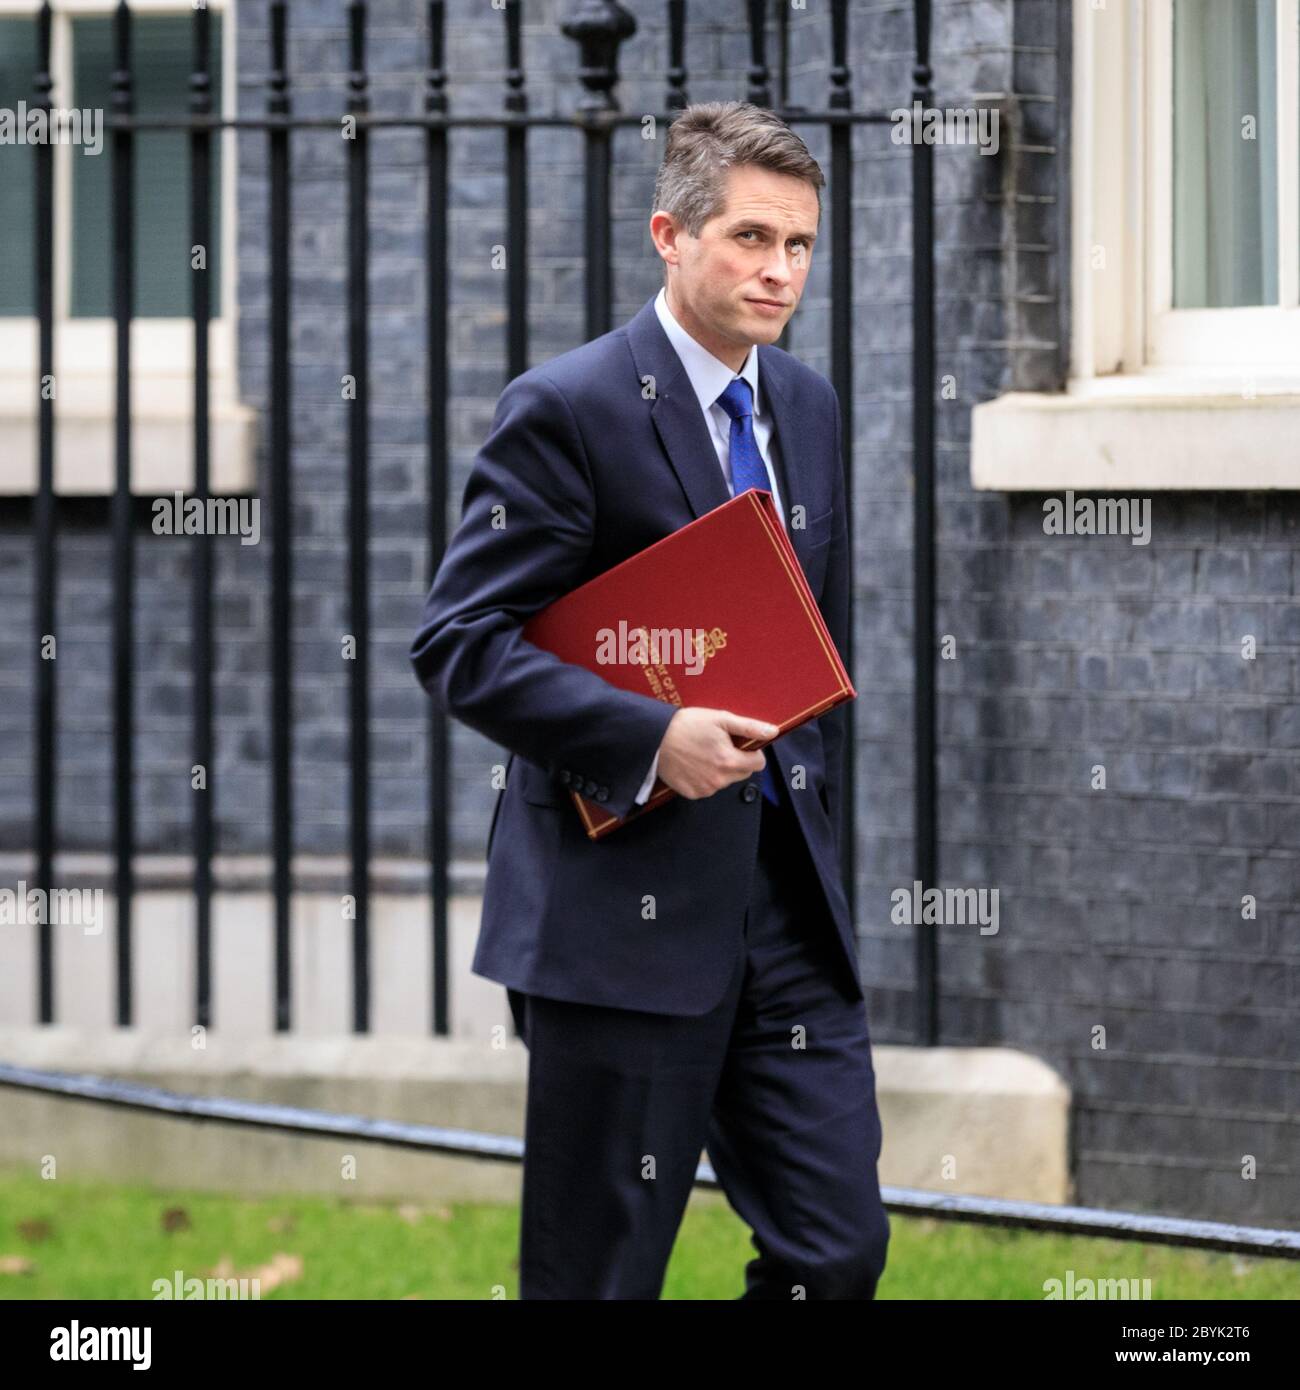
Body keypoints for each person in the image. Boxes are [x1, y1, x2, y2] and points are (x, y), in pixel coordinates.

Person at [409, 100, 888, 1299]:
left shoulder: (810, 407)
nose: (778, 271)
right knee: (598, 1275)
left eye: (798, 245)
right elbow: (459, 640)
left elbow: (808, 644)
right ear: (670, 236)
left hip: (783, 913)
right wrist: (648, 736)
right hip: (616, 921)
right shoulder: (566, 409)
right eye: (748, 239)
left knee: (837, 1255)